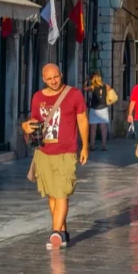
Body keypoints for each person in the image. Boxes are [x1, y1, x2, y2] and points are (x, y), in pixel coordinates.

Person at [22, 63, 88, 250]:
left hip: (66, 152)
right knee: (52, 195)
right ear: (44, 79)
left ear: (61, 74)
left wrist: (85, 147)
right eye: (49, 79)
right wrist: (25, 127)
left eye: (56, 77)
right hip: (43, 152)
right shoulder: (37, 97)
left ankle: (55, 232)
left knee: (62, 194)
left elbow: (82, 120)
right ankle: (63, 232)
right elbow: (34, 122)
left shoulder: (74, 94)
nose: (53, 81)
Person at [85, 72, 111, 151]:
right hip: (104, 108)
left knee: (93, 128)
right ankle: (104, 145)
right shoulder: (106, 86)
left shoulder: (92, 87)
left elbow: (84, 89)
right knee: (104, 128)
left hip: (94, 109)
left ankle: (92, 145)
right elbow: (111, 92)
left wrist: (86, 82)